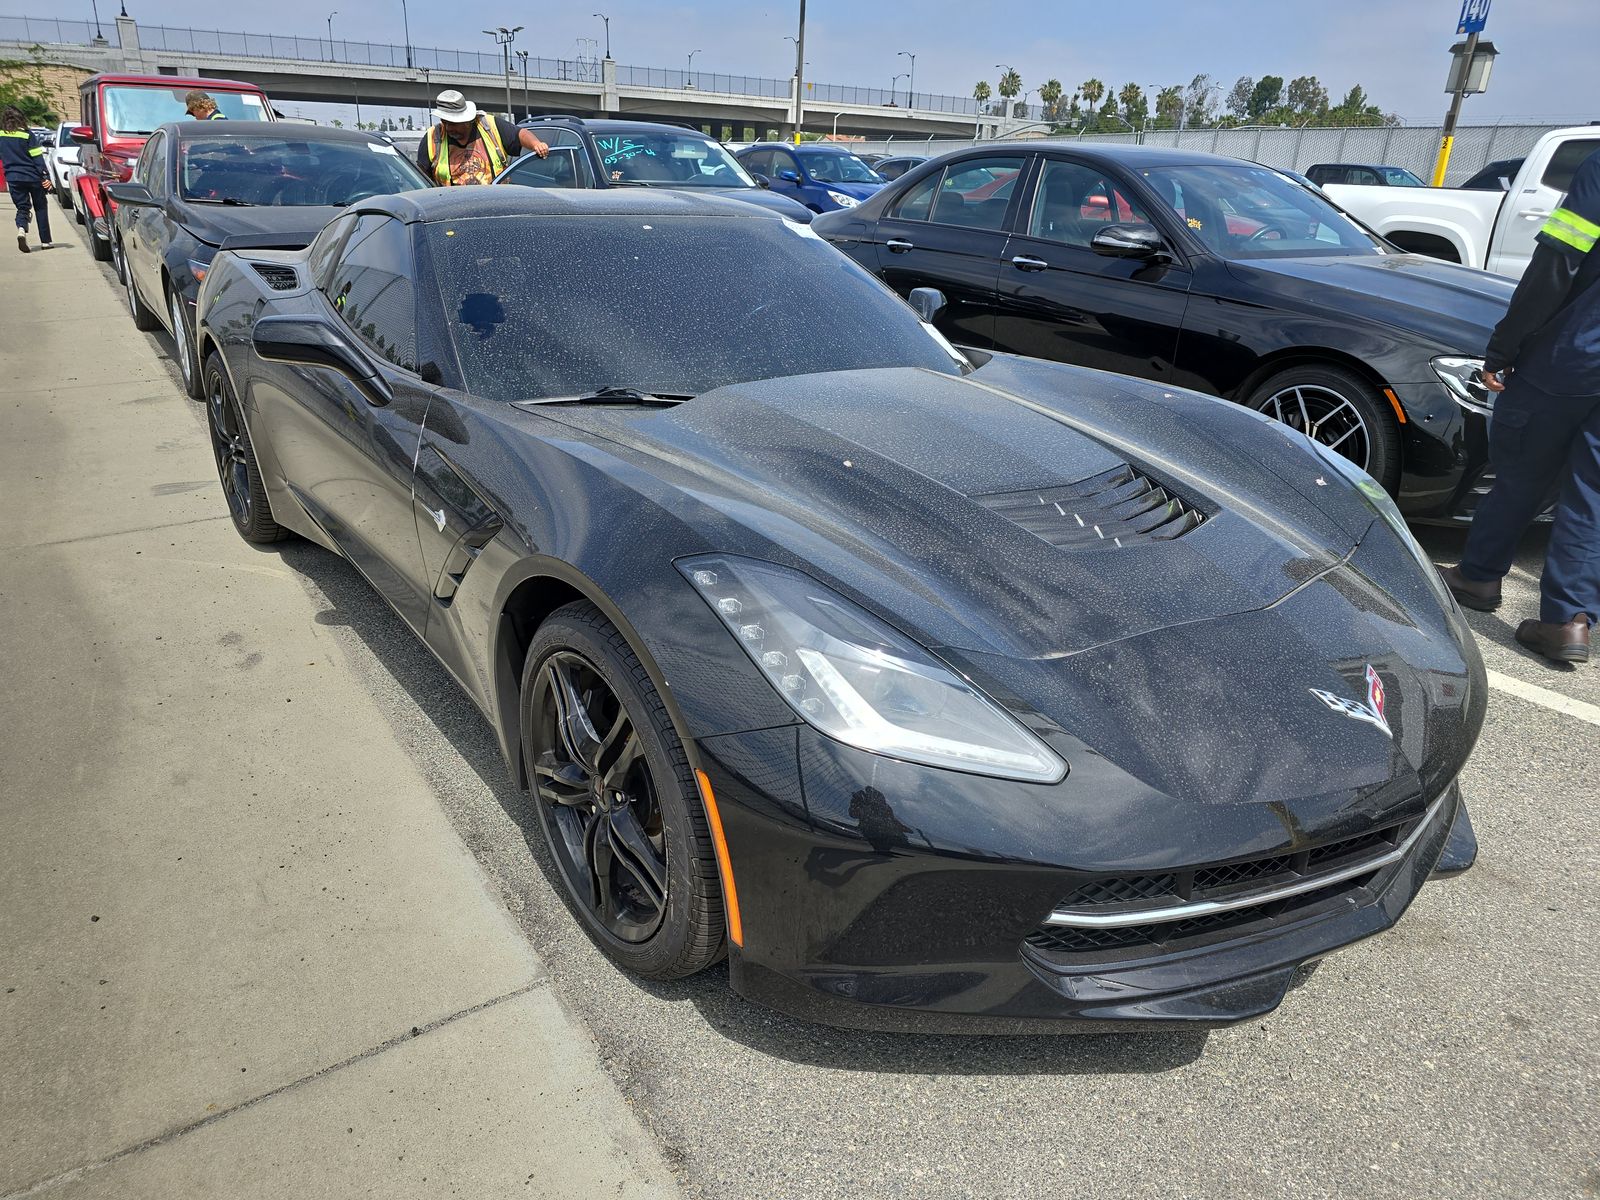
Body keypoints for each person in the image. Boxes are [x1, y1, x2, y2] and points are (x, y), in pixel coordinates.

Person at [1442, 149, 1600, 665]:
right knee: (1591, 494)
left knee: (1522, 470)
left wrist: (1505, 344)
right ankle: (1568, 622)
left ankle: (1479, 577)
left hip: (1572, 360)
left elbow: (1557, 263)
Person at [418, 89, 547, 187]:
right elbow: (420, 177)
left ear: (468, 120)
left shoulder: (489, 126)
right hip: (453, 212)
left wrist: (536, 144)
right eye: (445, 122)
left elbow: (520, 134)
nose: (448, 128)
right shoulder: (432, 137)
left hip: (494, 207)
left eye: (453, 123)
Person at [0, 106, 52, 252]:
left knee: (22, 207)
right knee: (41, 206)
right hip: (32, 177)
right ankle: (45, 241)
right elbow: (37, 158)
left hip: (13, 178)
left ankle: (22, 229)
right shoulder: (27, 135)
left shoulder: (1, 135)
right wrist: (45, 176)